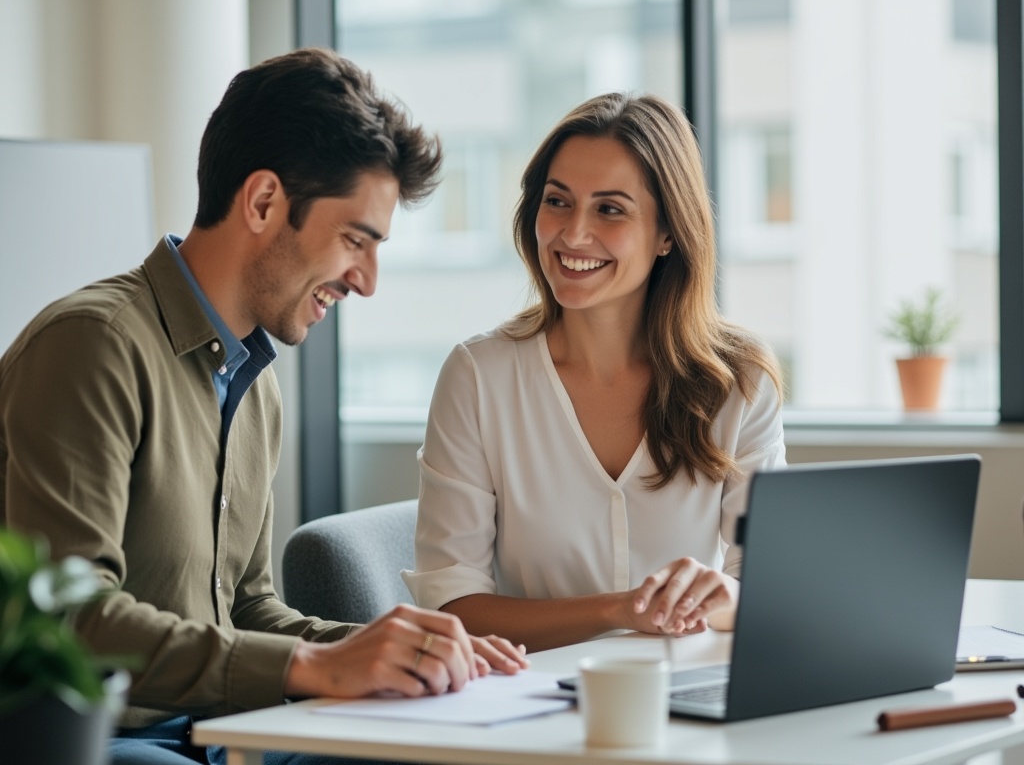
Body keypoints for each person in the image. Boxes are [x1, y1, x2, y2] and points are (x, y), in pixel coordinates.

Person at [0, 48, 527, 765]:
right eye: (354, 240)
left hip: (224, 734)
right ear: (263, 202)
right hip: (107, 741)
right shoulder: (93, 345)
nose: (367, 282)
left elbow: (245, 609)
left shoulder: (255, 381)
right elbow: (68, 616)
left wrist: (389, 646)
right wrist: (310, 669)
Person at [403, 92, 786, 653]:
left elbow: (770, 584)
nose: (573, 235)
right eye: (557, 201)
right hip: (526, 709)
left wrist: (725, 596)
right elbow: (453, 605)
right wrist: (620, 610)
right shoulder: (478, 377)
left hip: (684, 701)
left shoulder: (740, 381)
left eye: (610, 209)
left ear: (667, 234)